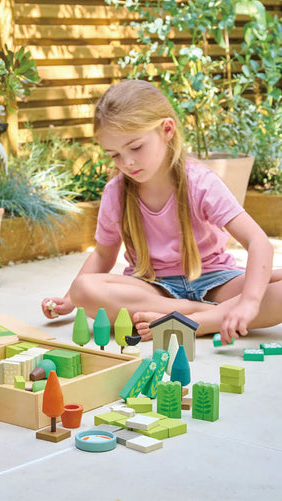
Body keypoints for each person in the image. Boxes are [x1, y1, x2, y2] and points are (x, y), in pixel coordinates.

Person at [42, 80, 282, 346]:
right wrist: (69, 298)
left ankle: (198, 321)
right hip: (152, 288)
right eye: (114, 155)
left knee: (267, 286)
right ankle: (197, 313)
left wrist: (249, 301)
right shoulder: (116, 193)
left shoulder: (200, 182)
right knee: (84, 288)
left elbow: (258, 241)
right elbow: (102, 254)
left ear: (166, 130)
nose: (127, 162)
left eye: (135, 147)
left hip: (216, 280)